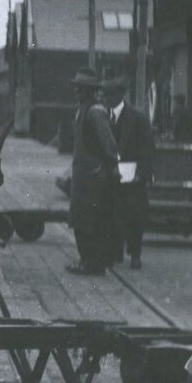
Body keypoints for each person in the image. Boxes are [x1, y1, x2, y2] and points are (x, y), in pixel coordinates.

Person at [67, 67, 120, 275]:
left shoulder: (95, 111)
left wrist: (112, 165)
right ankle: (86, 260)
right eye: (77, 87)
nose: (78, 91)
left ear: (90, 90)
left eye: (82, 88)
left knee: (93, 221)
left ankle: (94, 263)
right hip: (82, 175)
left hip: (94, 176)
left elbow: (108, 143)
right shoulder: (81, 109)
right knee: (80, 220)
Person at [104, 74, 153, 270]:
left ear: (120, 95)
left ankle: (135, 255)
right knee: (114, 214)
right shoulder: (103, 116)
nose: (107, 98)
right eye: (105, 94)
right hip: (112, 174)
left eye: (110, 94)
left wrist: (143, 172)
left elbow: (147, 147)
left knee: (135, 216)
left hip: (133, 176)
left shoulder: (137, 117)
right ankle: (116, 252)